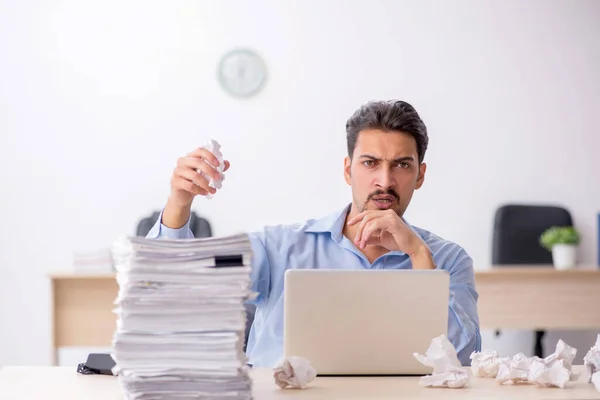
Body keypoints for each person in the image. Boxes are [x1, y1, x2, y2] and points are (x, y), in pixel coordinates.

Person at [146, 100, 481, 367]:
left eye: (401, 165)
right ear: (348, 171)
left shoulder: (448, 260)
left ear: (420, 175)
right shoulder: (277, 248)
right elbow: (179, 287)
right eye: (370, 163)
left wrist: (417, 255)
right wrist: (179, 202)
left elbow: (461, 360)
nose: (385, 180)